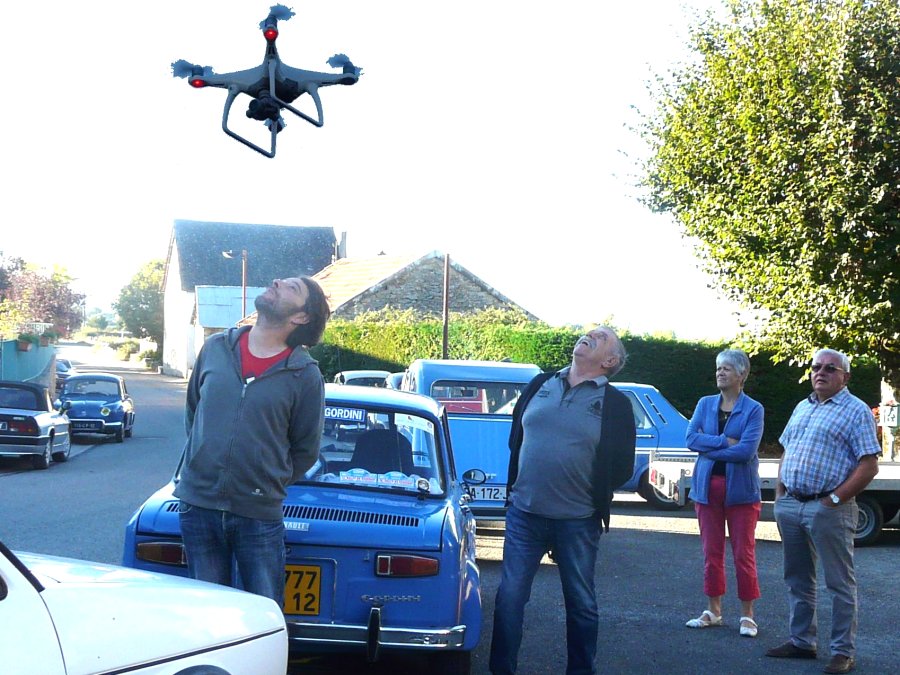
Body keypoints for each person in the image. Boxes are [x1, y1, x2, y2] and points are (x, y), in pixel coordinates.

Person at [174, 275, 331, 605]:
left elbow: (305, 449)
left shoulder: (304, 375)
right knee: (207, 612)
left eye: (292, 288)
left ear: (301, 316)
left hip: (258, 515)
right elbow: (194, 413)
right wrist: (203, 461)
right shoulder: (216, 348)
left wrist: (263, 481)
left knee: (263, 612)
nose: (277, 282)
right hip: (198, 506)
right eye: (283, 281)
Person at [489, 326, 637, 675]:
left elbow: (622, 466)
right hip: (524, 514)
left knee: (581, 603)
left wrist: (585, 491)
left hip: (578, 520)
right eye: (590, 332)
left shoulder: (616, 404)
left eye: (601, 337)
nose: (590, 334)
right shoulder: (540, 384)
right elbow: (516, 438)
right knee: (509, 598)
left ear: (609, 361)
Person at [766, 348, 880, 674]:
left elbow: (869, 465)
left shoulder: (856, 411)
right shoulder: (803, 406)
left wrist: (834, 501)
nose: (821, 372)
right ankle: (802, 642)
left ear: (846, 377)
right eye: (817, 367)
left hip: (829, 508)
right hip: (792, 504)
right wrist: (780, 493)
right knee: (797, 579)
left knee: (839, 583)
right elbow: (788, 450)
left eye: (831, 368)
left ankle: (843, 652)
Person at [683, 349, 764, 637]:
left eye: (727, 368)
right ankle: (713, 611)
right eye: (718, 367)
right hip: (706, 489)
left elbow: (745, 451)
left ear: (742, 375)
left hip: (741, 492)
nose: (720, 372)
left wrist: (709, 449)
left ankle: (747, 616)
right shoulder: (705, 404)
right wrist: (723, 441)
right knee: (711, 552)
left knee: (744, 553)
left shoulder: (754, 409)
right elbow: (690, 439)